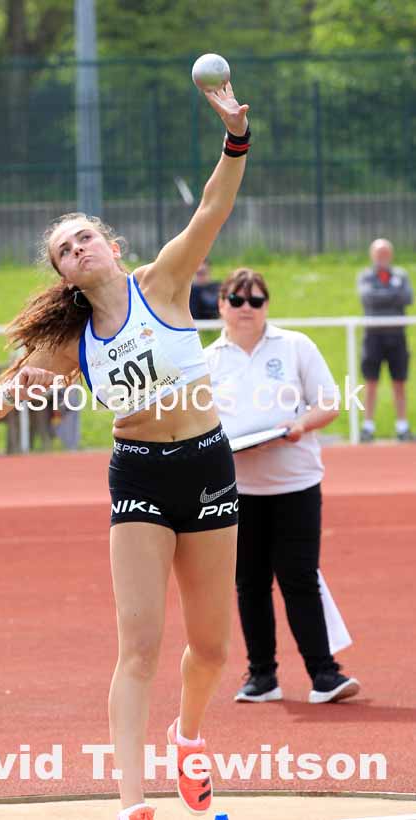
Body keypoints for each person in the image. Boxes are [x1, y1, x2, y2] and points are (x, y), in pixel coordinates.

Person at [0, 82, 251, 820]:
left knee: (213, 649)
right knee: (139, 646)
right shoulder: (71, 343)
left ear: (111, 246)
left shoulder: (160, 283)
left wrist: (234, 136)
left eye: (84, 237)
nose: (77, 249)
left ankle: (187, 739)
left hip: (206, 465)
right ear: (63, 274)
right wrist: (18, 387)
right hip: (138, 477)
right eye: (64, 249)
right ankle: (133, 805)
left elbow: (211, 209)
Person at [205, 268, 361, 704]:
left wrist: (299, 424)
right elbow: (198, 421)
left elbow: (329, 402)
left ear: (267, 305)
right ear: (221, 306)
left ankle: (324, 674)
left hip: (296, 482)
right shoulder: (208, 361)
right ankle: (262, 677)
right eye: (236, 300)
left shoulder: (295, 346)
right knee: (249, 583)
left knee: (299, 577)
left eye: (256, 301)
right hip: (238, 490)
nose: (246, 309)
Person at [357, 238, 414, 442]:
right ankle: (368, 427)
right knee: (370, 382)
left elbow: (407, 298)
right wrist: (392, 294)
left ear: (391, 255)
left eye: (385, 254)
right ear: (372, 255)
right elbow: (368, 298)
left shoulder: (401, 276)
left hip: (397, 336)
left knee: (399, 381)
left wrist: (385, 295)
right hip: (373, 336)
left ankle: (402, 426)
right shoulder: (365, 276)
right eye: (378, 254)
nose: (382, 258)